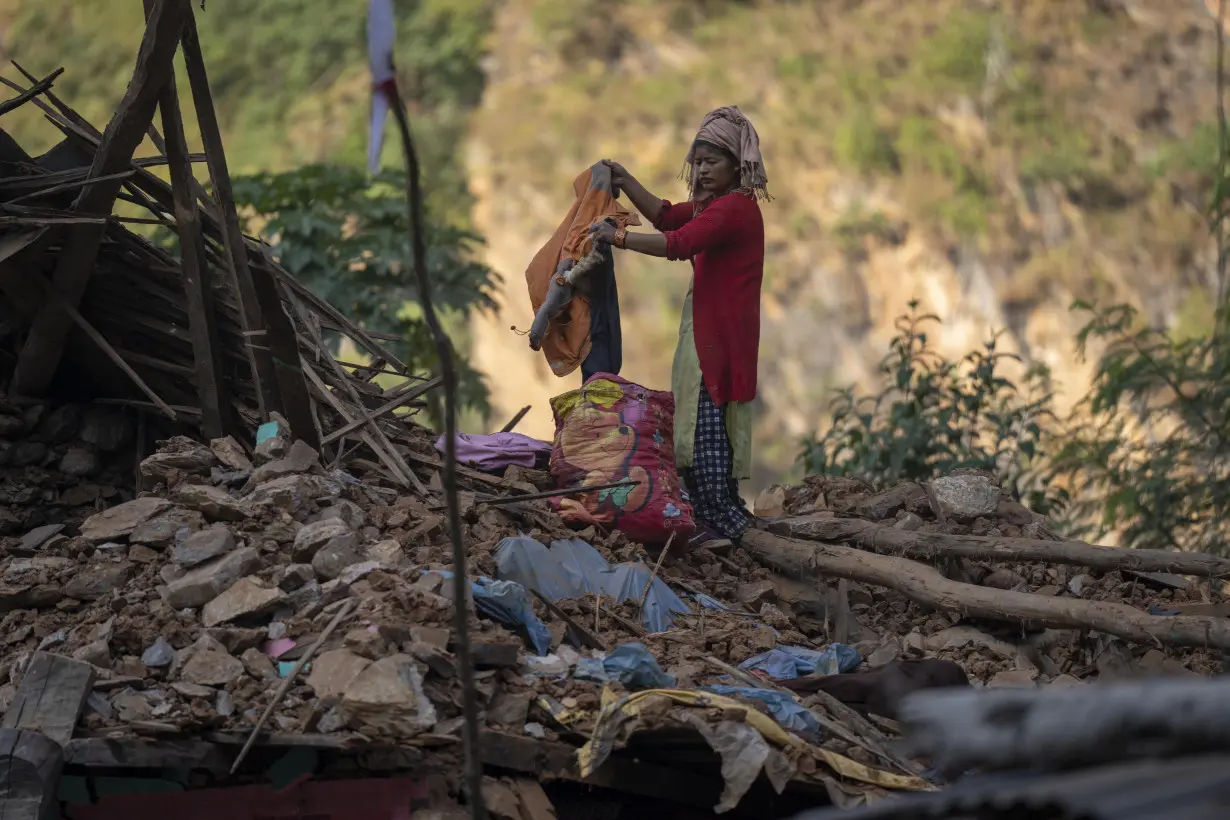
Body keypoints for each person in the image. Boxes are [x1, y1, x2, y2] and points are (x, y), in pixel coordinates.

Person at [588, 105, 768, 550]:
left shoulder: (734, 210)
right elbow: (668, 217)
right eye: (698, 162)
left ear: (736, 166)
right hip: (713, 328)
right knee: (705, 416)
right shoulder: (717, 205)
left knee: (706, 420)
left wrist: (618, 237)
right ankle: (719, 513)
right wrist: (626, 181)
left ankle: (717, 520)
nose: (703, 171)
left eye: (713, 162)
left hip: (719, 335)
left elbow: (678, 242)